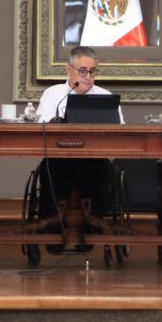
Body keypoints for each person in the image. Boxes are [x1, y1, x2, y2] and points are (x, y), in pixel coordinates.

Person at [33, 46, 122, 225]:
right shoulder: (53, 94)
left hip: (94, 160)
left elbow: (120, 130)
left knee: (102, 171)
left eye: (92, 71)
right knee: (49, 169)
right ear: (69, 70)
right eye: (82, 71)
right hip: (59, 159)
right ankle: (53, 225)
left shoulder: (105, 96)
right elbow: (40, 126)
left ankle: (93, 224)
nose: (88, 76)